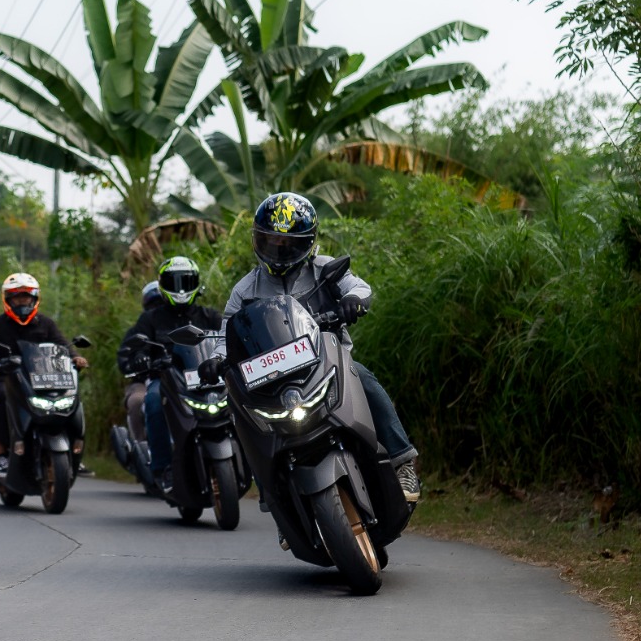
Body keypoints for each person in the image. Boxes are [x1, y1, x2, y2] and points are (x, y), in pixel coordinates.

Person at [224, 192, 421, 502]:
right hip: (272, 379)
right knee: (240, 412)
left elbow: (358, 286)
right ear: (257, 240)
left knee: (365, 377)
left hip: (330, 362)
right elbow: (226, 330)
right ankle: (274, 500)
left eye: (289, 244)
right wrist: (215, 359)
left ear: (310, 242)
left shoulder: (325, 269)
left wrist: (353, 301)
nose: (279, 250)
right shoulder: (245, 289)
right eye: (271, 241)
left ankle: (402, 461)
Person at [118, 257, 223, 486]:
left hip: (208, 378)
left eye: (186, 281)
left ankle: (254, 462)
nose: (181, 289)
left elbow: (229, 339)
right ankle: (163, 469)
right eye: (174, 282)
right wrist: (140, 358)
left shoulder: (210, 316)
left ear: (196, 282)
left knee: (240, 396)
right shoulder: (150, 319)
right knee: (154, 401)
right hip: (167, 380)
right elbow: (135, 348)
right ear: (163, 285)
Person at [0, 272, 86, 474]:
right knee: (1, 397)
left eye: (26, 297)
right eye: (17, 297)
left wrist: (75, 357)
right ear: (8, 299)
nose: (22, 301)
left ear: (34, 299)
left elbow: (63, 345)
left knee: (70, 398)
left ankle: (74, 452)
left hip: (42, 380)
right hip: (7, 379)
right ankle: (2, 453)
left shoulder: (46, 324)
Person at [116, 281, 163, 441]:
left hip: (180, 379)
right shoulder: (137, 330)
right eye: (153, 304)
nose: (157, 309)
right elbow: (124, 356)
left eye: (161, 303)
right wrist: (135, 363)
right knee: (137, 402)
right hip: (144, 381)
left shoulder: (179, 325)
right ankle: (140, 444)